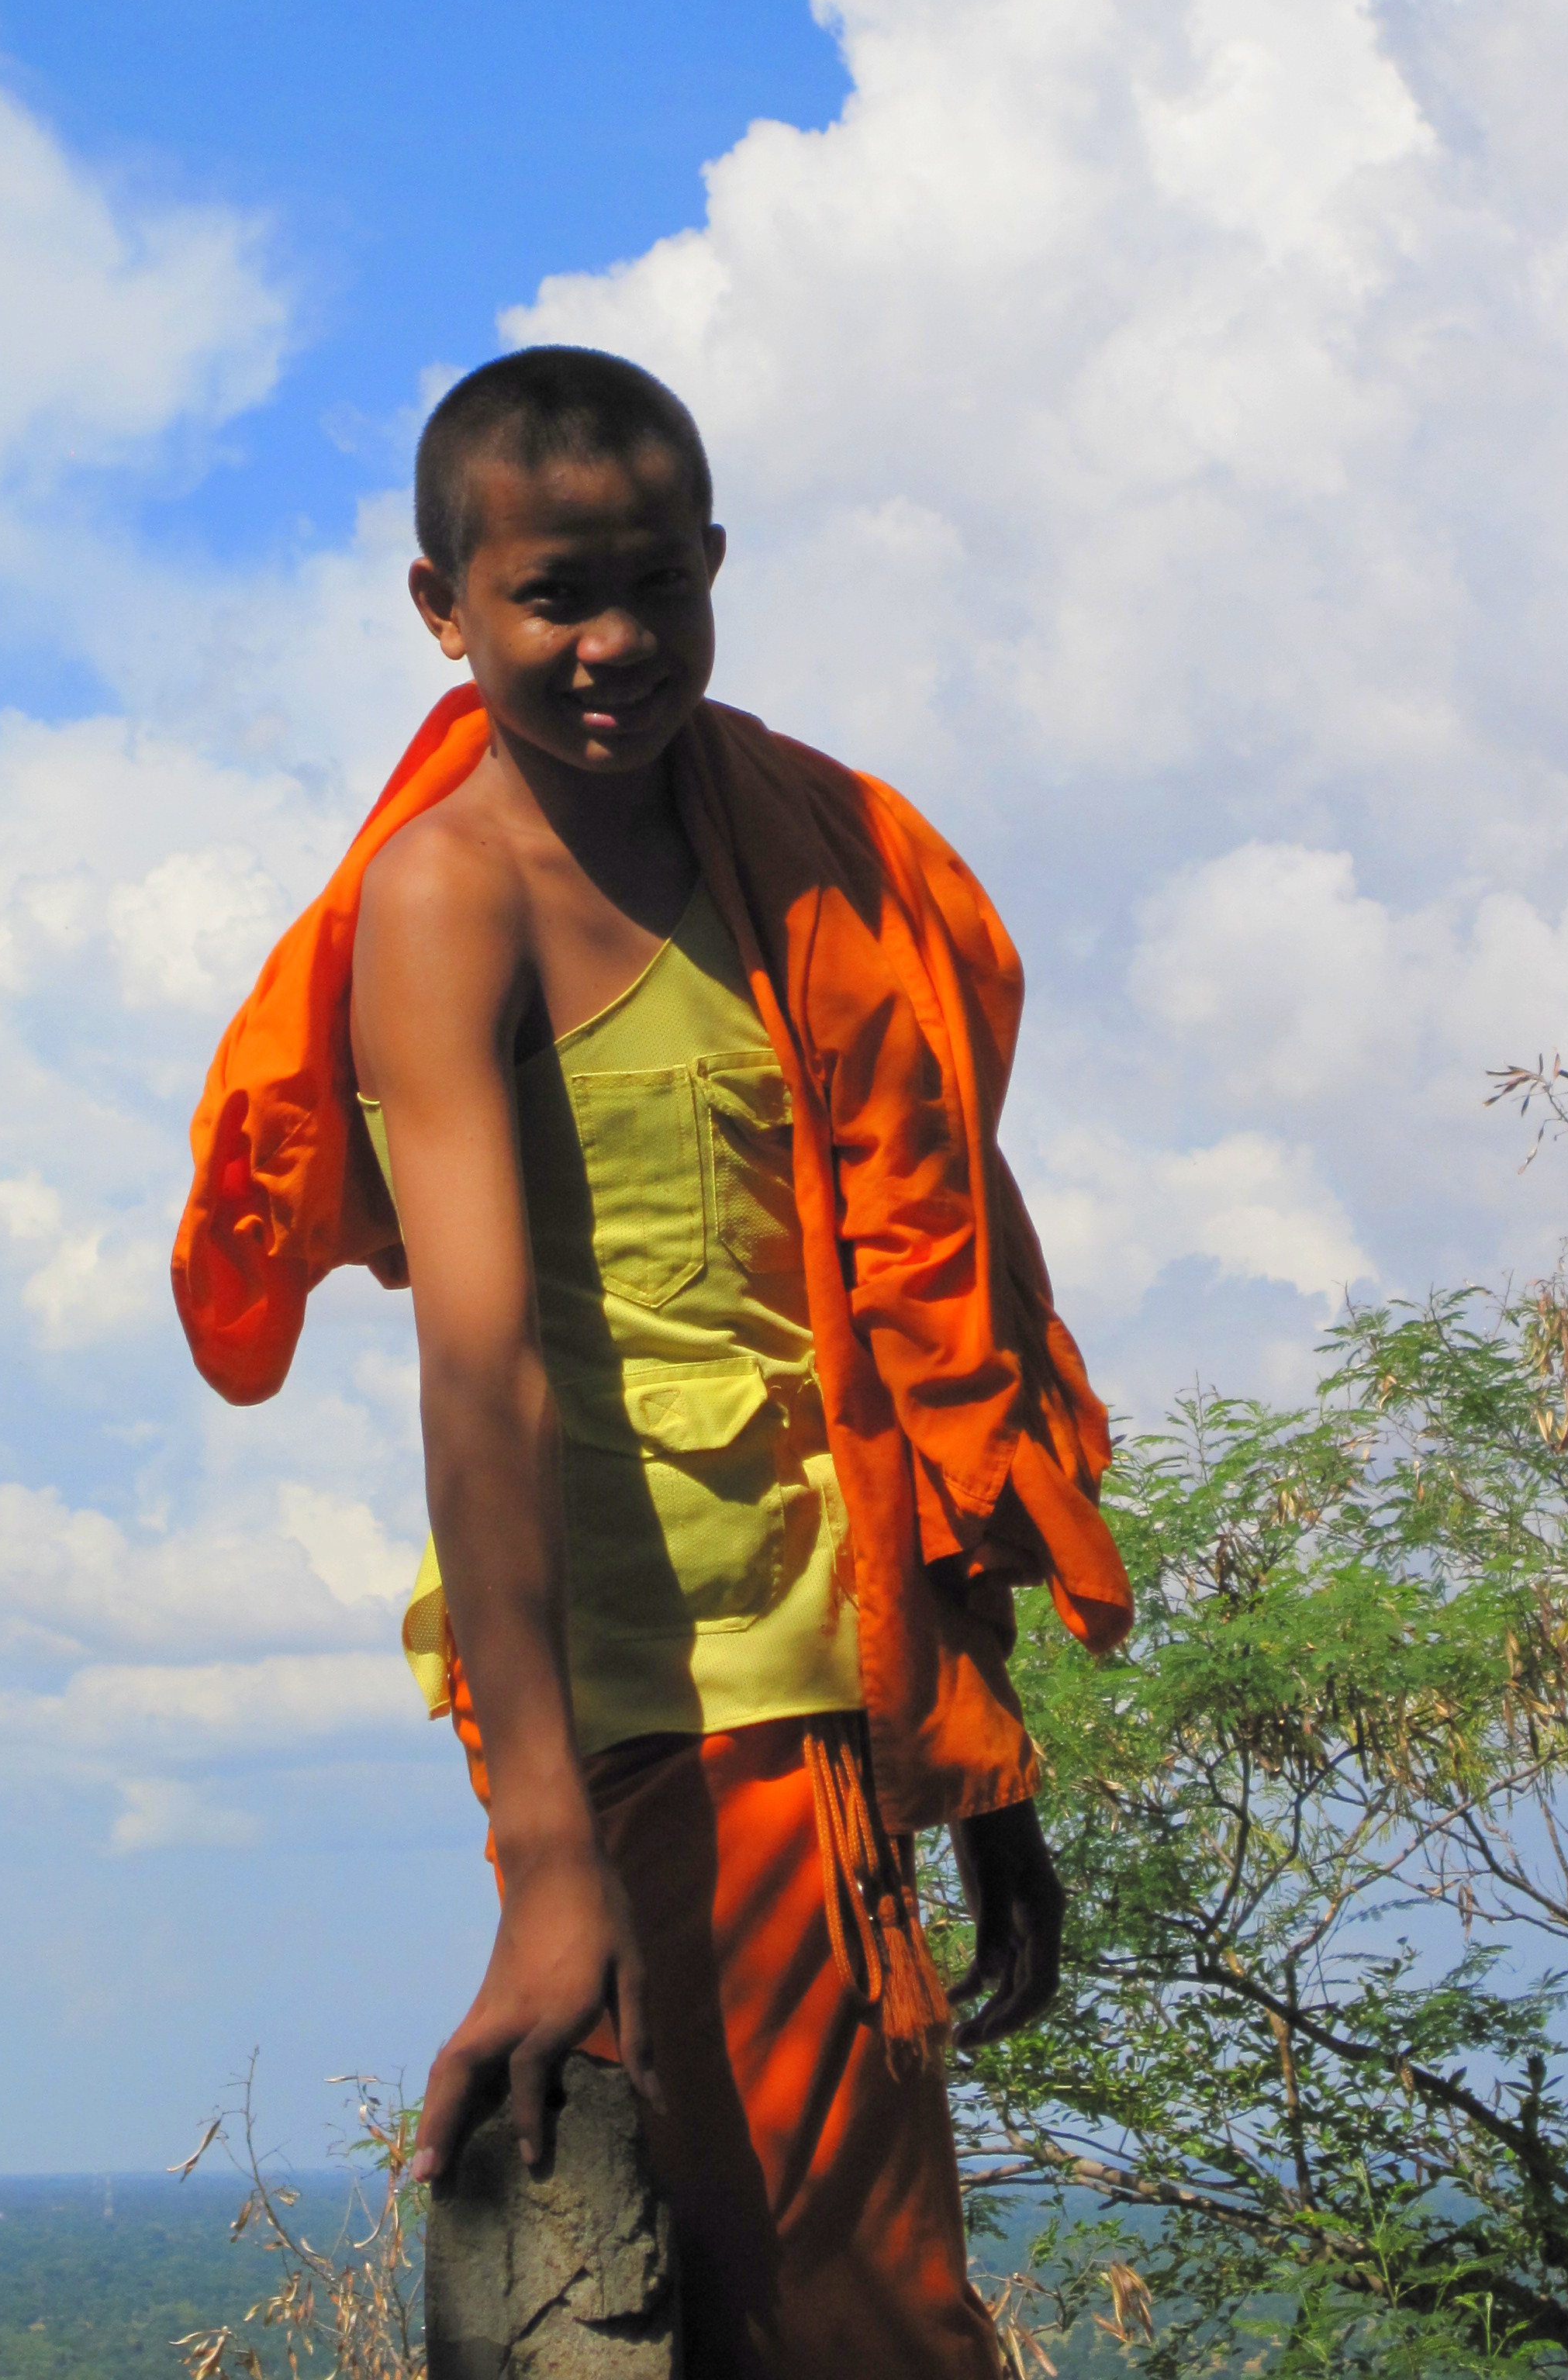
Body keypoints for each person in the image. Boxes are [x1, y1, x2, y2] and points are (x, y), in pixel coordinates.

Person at [172, 347, 1132, 2378]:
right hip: (653, 1705)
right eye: (552, 597)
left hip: (832, 1685)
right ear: (443, 610)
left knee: (822, 2294)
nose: (614, 643)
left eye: (654, 586)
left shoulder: (800, 852)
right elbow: (483, 1377)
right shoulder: (453, 900)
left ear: (713, 566)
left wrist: (972, 1771)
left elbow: (893, 1322)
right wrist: (549, 1866)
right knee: (857, 2320)